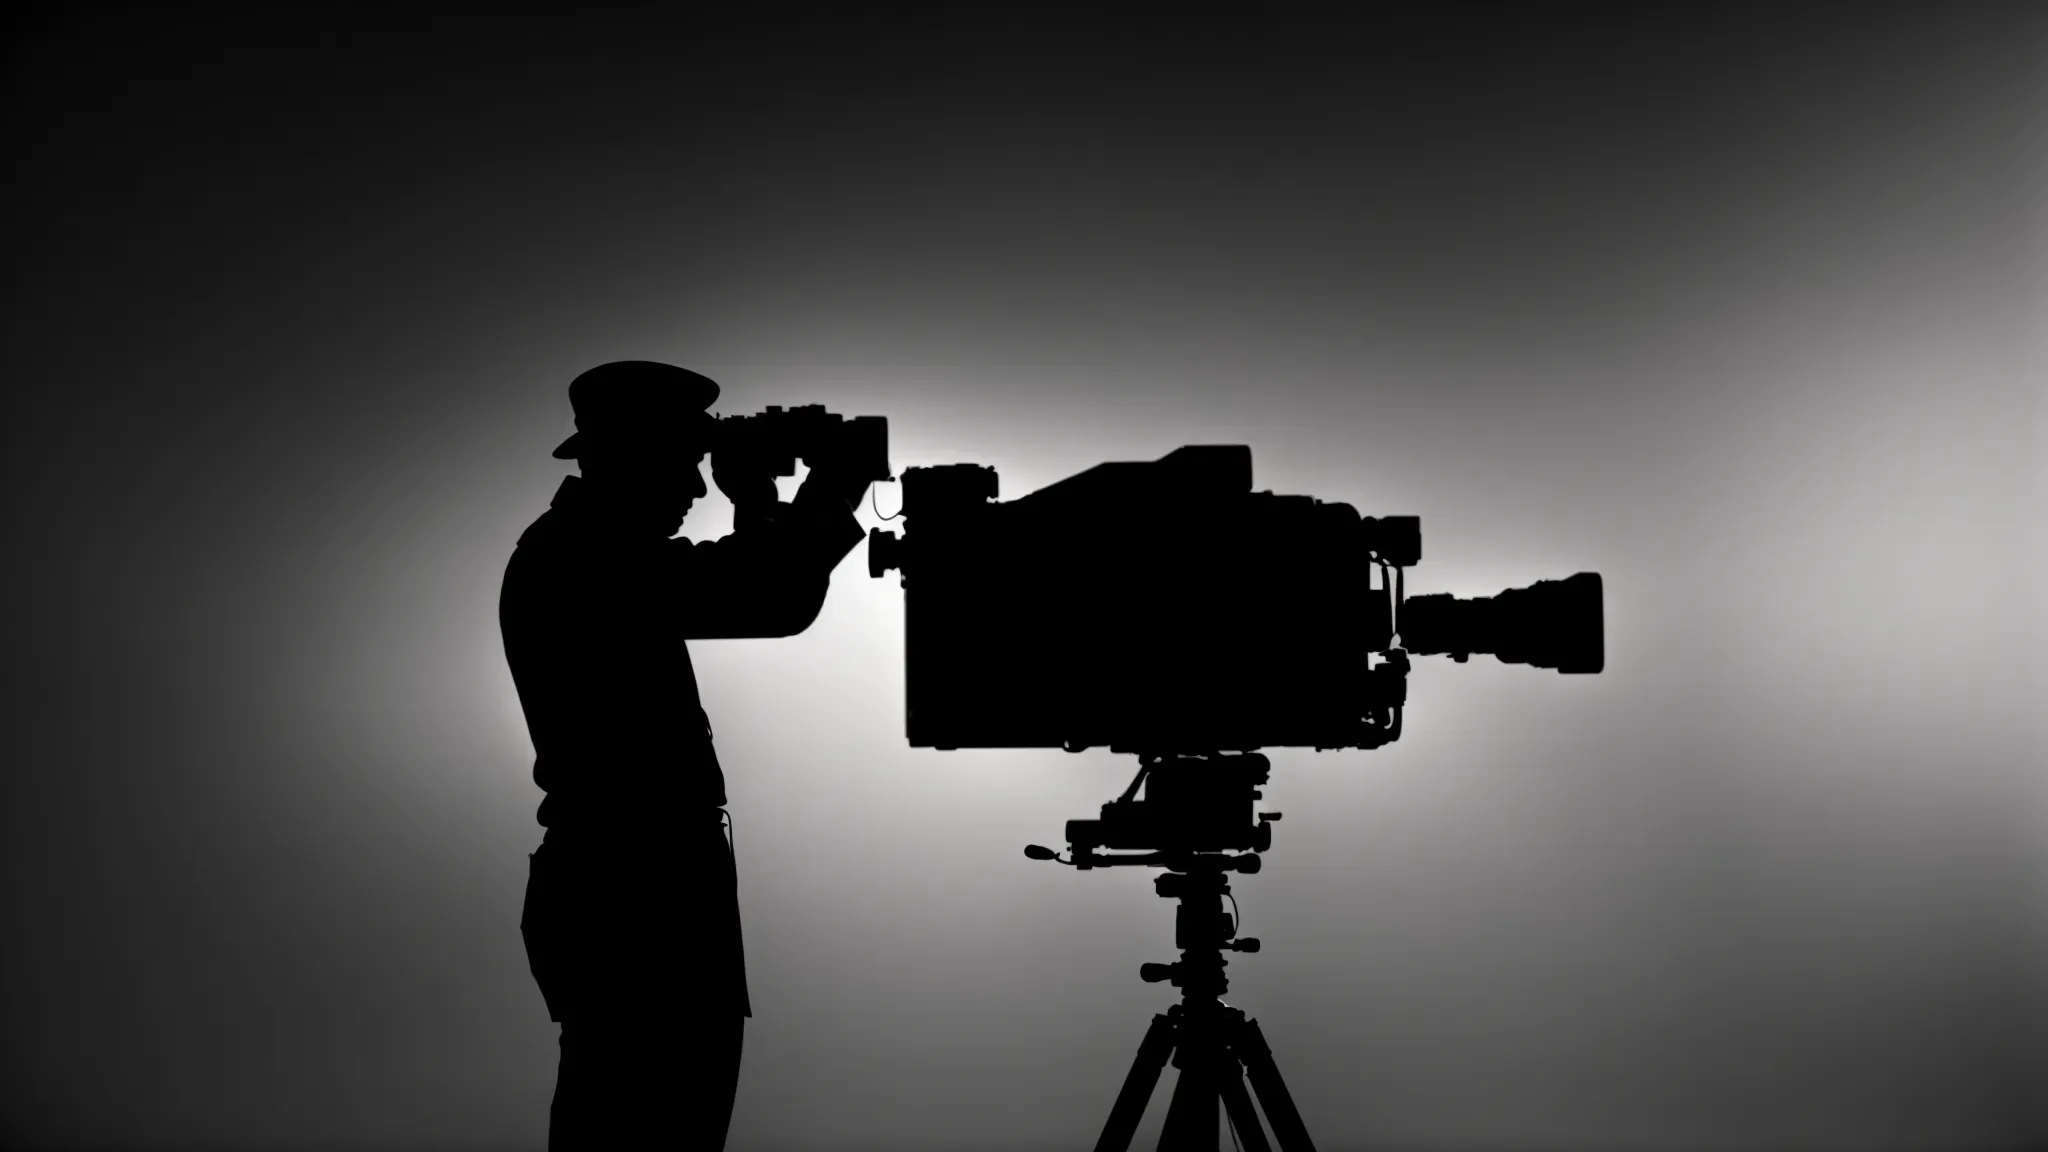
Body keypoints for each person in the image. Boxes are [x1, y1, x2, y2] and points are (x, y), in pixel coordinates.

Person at [499, 361, 870, 1149]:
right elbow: (771, 597)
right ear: (632, 458)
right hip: (635, 897)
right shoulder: (582, 556)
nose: (696, 491)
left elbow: (753, 587)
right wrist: (822, 489)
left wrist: (759, 501)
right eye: (684, 466)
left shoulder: (588, 552)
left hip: (638, 890)